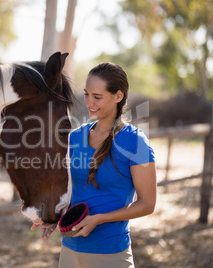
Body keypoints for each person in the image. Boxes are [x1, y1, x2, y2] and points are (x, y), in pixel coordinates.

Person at [31, 62, 157, 268]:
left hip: (112, 254)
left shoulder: (136, 141)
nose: (89, 102)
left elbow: (147, 204)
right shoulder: (76, 137)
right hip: (70, 252)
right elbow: (71, 189)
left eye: (97, 97)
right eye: (87, 94)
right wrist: (52, 217)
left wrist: (98, 219)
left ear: (118, 96)